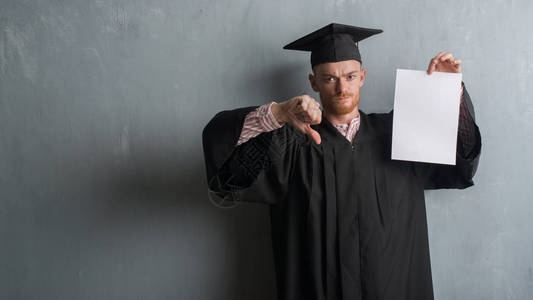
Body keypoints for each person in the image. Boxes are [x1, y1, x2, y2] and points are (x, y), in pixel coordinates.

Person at [202, 23, 481, 300]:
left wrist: (449, 91)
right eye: (329, 79)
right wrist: (277, 114)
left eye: (349, 76)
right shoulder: (290, 143)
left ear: (362, 76)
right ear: (313, 82)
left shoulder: (399, 133)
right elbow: (227, 175)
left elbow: (460, 161)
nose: (341, 88)